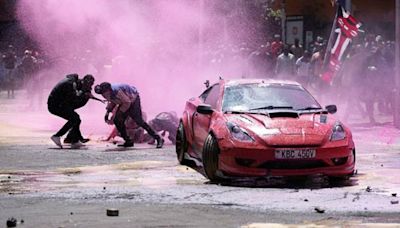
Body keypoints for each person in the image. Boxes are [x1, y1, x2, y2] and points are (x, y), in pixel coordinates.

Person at [95, 82, 164, 148]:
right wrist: (108, 112)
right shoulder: (108, 92)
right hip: (125, 101)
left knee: (139, 121)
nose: (103, 96)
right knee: (117, 120)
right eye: (102, 94)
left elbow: (127, 102)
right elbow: (113, 100)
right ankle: (128, 141)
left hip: (133, 99)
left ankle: (158, 138)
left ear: (109, 90)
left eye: (104, 93)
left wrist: (120, 113)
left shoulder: (117, 91)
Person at [47, 74, 95, 148]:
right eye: (88, 85)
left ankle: (73, 139)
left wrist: (85, 98)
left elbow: (74, 104)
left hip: (59, 104)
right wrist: (83, 95)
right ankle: (57, 136)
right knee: (74, 119)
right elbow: (73, 101)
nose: (89, 87)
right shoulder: (71, 85)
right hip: (55, 106)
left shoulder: (75, 83)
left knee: (76, 119)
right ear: (84, 82)